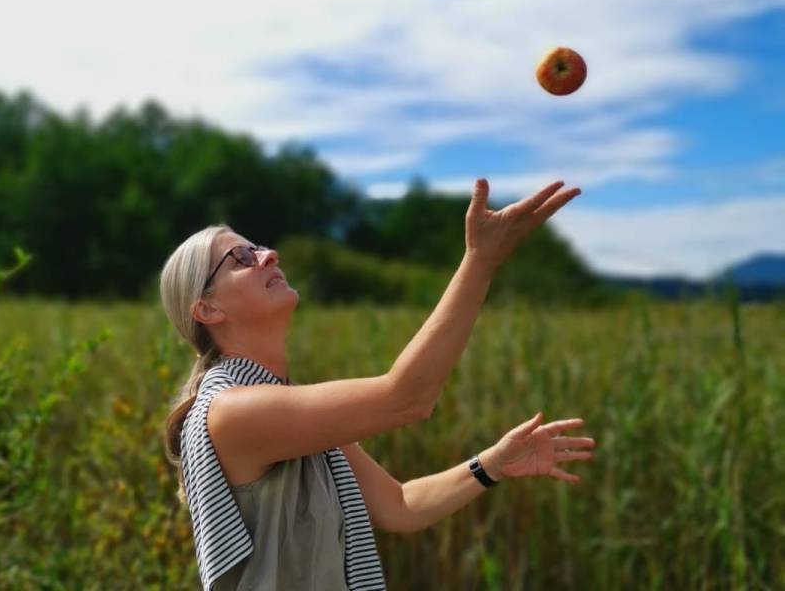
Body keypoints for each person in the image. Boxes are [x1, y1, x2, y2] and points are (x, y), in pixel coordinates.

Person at [160, 178, 595, 590]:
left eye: (257, 247)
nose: (268, 254)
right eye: (240, 258)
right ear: (207, 310)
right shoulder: (231, 412)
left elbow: (400, 505)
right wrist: (480, 260)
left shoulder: (287, 410)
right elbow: (407, 398)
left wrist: (493, 464)